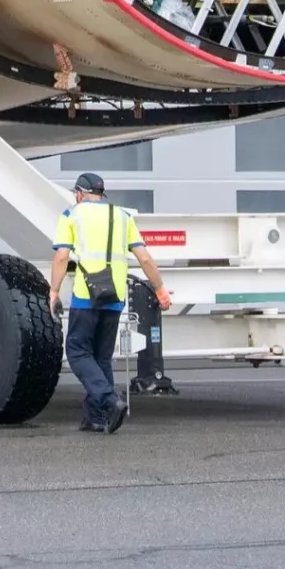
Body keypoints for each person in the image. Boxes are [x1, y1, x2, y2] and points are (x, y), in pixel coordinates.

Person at [49, 173, 170, 433]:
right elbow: (145, 259)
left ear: (80, 193)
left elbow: (61, 257)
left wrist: (54, 292)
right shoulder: (122, 216)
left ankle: (109, 399)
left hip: (86, 295)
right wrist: (160, 289)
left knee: (77, 352)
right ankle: (97, 418)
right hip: (115, 296)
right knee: (101, 357)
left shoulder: (72, 215)